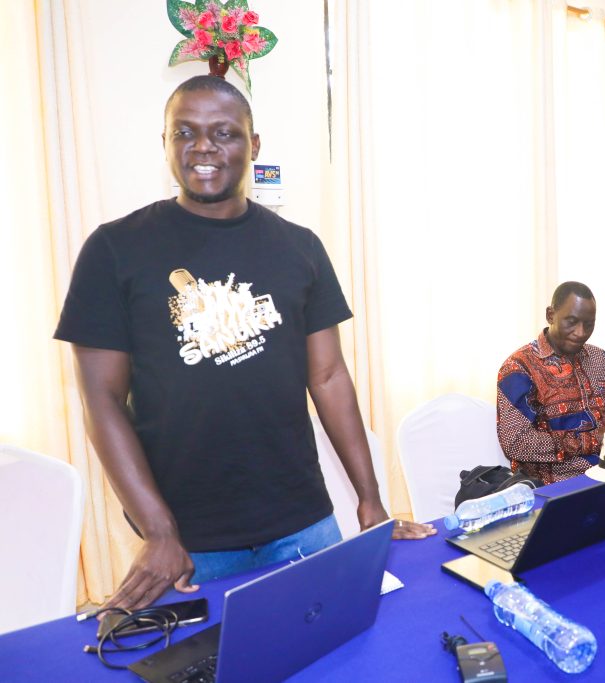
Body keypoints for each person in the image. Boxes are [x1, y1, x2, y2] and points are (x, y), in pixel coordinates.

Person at [54, 76, 433, 611]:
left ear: (253, 145)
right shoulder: (115, 249)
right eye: (185, 132)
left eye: (224, 133)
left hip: (303, 524)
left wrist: (371, 501)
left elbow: (329, 377)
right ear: (164, 142)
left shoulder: (300, 247)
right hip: (187, 542)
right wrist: (159, 530)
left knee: (338, 648)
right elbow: (102, 400)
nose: (203, 146)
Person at [496, 282, 605, 485]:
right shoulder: (519, 368)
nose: (581, 332)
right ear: (550, 315)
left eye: (589, 324)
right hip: (560, 485)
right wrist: (593, 439)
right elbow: (516, 443)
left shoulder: (601, 359)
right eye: (572, 322)